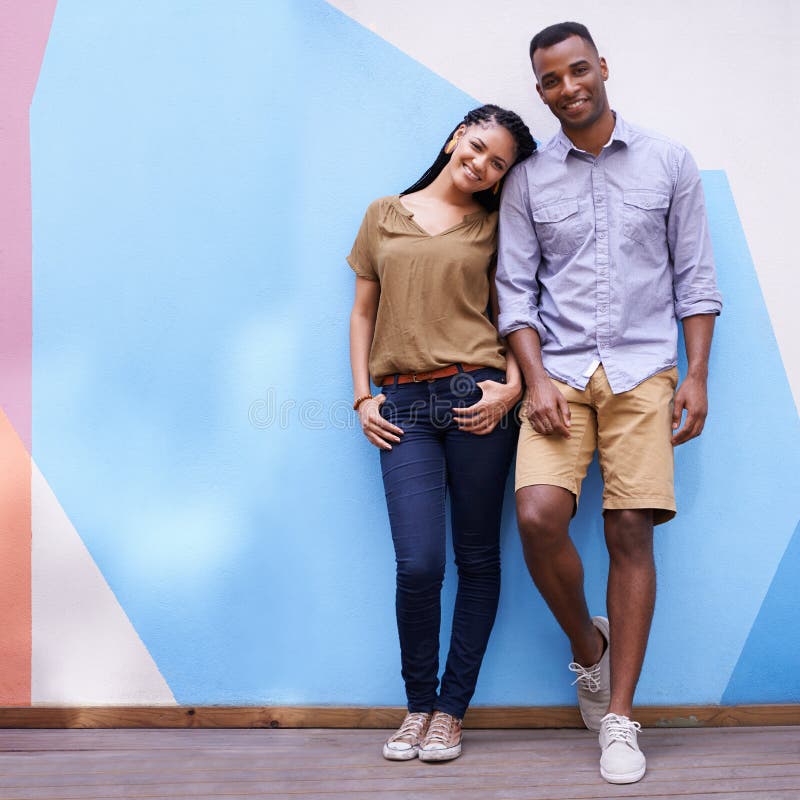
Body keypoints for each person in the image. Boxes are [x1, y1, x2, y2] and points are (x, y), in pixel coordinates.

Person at [496, 22, 722, 785]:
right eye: (552, 80)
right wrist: (534, 378)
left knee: (630, 528)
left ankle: (619, 719)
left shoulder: (668, 162)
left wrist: (695, 376)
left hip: (644, 372)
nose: (569, 88)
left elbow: (696, 280)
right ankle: (586, 651)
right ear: (541, 90)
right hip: (556, 373)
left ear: (602, 68)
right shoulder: (527, 180)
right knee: (536, 515)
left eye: (579, 70)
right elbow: (515, 295)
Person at [348, 105, 535, 762]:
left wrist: (512, 385)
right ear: (458, 135)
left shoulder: (495, 227)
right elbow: (362, 312)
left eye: (497, 164)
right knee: (419, 563)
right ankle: (417, 705)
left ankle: (450, 713)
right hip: (400, 404)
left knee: (478, 559)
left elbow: (518, 311)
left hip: (475, 397)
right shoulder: (382, 214)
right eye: (478, 146)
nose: (481, 164)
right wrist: (362, 396)